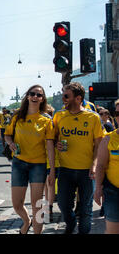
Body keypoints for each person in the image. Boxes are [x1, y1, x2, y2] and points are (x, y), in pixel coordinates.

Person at [53, 82, 104, 234]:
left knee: (86, 208)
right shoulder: (59, 115)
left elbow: (98, 145)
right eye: (63, 95)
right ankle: (70, 225)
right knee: (63, 204)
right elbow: (53, 138)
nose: (63, 99)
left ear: (78, 98)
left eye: (66, 96)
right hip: (65, 169)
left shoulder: (93, 117)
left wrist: (94, 165)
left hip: (86, 171)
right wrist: (57, 144)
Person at [4, 85, 55, 234]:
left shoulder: (46, 120)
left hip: (38, 165)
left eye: (39, 95)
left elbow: (50, 146)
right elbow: (7, 135)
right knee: (17, 204)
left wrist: (51, 171)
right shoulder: (18, 116)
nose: (35, 97)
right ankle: (27, 221)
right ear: (27, 96)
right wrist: (10, 143)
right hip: (19, 163)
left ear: (42, 99)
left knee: (37, 204)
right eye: (32, 94)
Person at [94, 99, 119, 234]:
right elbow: (101, 166)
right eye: (117, 113)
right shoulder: (108, 139)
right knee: (113, 230)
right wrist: (98, 188)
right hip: (113, 192)